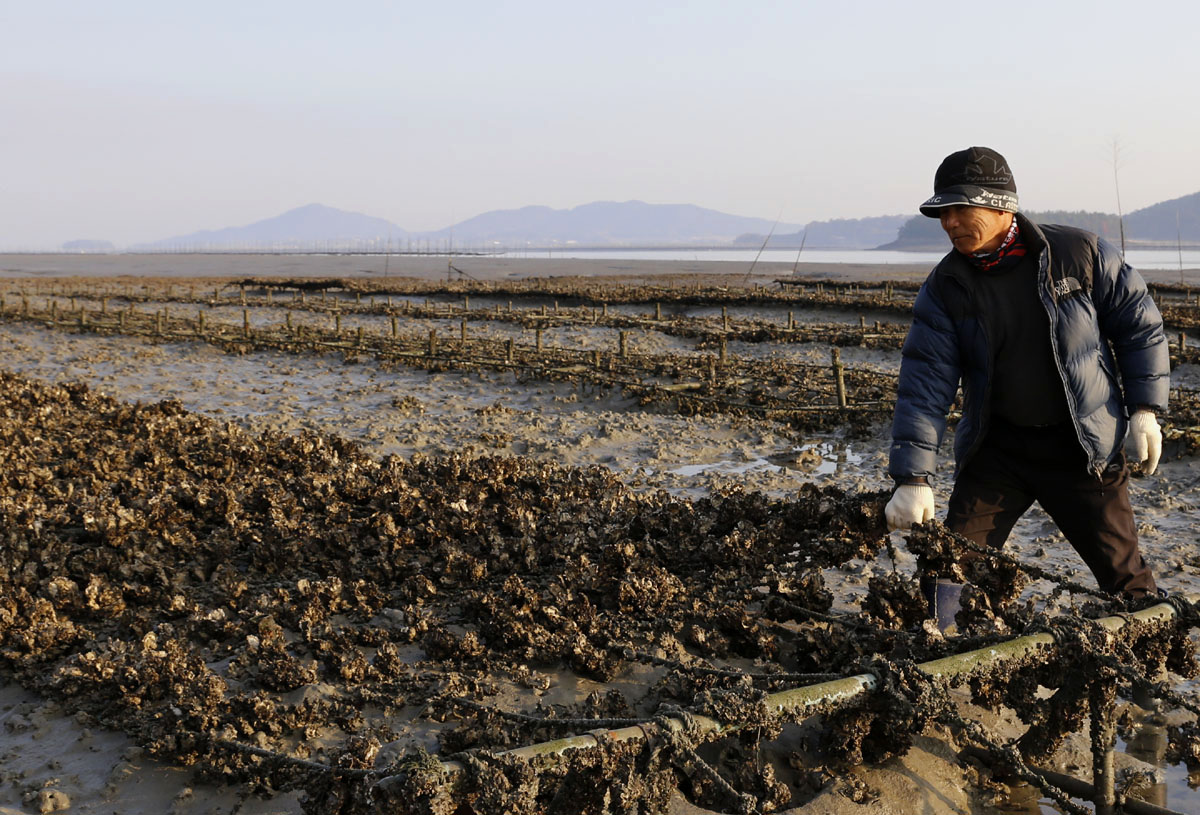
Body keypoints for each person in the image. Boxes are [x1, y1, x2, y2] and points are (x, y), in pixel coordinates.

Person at [884, 146, 1169, 602]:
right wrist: (913, 478)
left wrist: (1145, 410)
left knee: (1125, 578)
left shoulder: (1080, 254)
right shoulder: (946, 287)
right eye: (942, 212)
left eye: (960, 208)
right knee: (948, 571)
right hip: (999, 451)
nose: (949, 223)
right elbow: (924, 386)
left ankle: (1148, 654)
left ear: (1000, 205)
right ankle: (942, 655)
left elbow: (1141, 329)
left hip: (1082, 449)